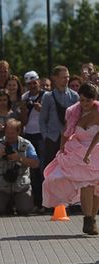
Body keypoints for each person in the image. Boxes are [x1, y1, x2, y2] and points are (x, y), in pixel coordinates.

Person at [43, 82, 99, 235]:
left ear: (94, 99)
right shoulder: (73, 111)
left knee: (96, 189)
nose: (85, 104)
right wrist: (62, 148)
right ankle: (88, 219)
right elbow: (66, 132)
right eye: (82, 100)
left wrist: (89, 153)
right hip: (78, 151)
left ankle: (92, 219)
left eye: (88, 100)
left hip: (95, 151)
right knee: (85, 184)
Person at [0, 119, 39, 215]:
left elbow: (36, 163)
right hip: (2, 186)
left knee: (25, 210)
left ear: (19, 132)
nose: (9, 136)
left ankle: (18, 203)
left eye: (12, 133)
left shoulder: (26, 144)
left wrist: (19, 158)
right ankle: (7, 204)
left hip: (20, 187)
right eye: (7, 133)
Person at [40, 65, 79, 168]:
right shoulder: (48, 96)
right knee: (50, 168)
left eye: (67, 77)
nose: (66, 80)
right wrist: (45, 136)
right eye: (63, 77)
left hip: (68, 138)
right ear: (55, 78)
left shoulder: (75, 96)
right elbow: (42, 119)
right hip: (52, 138)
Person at [22, 71, 46, 211]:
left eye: (34, 82)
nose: (32, 86)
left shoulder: (46, 96)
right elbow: (24, 120)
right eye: (29, 84)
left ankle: (45, 201)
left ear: (38, 81)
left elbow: (50, 116)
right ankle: (37, 202)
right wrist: (24, 109)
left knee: (43, 169)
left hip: (42, 135)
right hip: (29, 135)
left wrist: (41, 109)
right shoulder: (25, 98)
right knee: (33, 170)